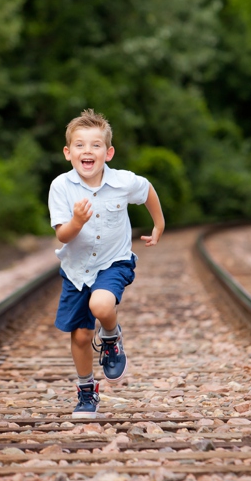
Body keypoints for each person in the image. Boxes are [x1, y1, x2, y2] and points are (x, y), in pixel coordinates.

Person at [48, 109, 165, 418]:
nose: (88, 150)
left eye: (96, 145)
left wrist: (159, 224)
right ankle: (87, 391)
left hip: (114, 262)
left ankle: (111, 336)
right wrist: (76, 221)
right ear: (68, 152)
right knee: (82, 336)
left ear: (108, 152)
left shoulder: (122, 181)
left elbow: (147, 190)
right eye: (80, 145)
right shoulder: (60, 187)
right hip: (76, 271)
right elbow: (63, 236)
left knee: (101, 306)